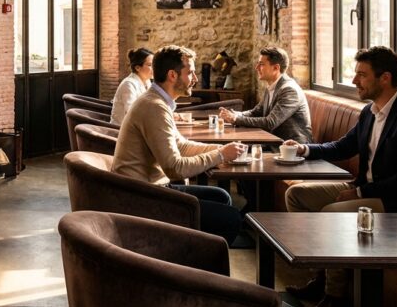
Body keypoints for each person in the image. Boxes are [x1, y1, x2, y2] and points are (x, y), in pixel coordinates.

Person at [280, 46, 397, 307]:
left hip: (396, 200)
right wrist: (306, 150)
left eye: (362, 75)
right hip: (363, 189)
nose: (354, 81)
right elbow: (344, 146)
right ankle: (322, 276)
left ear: (385, 78)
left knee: (332, 214)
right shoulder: (370, 112)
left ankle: (335, 299)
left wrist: (360, 191)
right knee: (297, 195)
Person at [111, 45, 246, 244]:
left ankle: (198, 252)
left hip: (151, 188)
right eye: (190, 72)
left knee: (221, 196)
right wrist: (220, 155)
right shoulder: (154, 106)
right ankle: (190, 265)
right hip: (142, 197)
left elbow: (181, 146)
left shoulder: (157, 102)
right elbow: (175, 168)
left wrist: (223, 150)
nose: (195, 78)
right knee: (230, 218)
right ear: (173, 75)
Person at [218, 47, 312, 145]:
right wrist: (236, 114)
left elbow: (270, 123)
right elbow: (255, 112)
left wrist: (236, 119)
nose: (257, 67)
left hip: (293, 149)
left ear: (276, 68)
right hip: (274, 142)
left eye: (261, 64)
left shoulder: (289, 90)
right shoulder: (272, 86)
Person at [111, 48, 154, 125]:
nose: (154, 68)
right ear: (137, 67)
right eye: (150, 65)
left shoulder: (147, 82)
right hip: (122, 130)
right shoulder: (128, 84)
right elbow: (132, 113)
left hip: (140, 125)